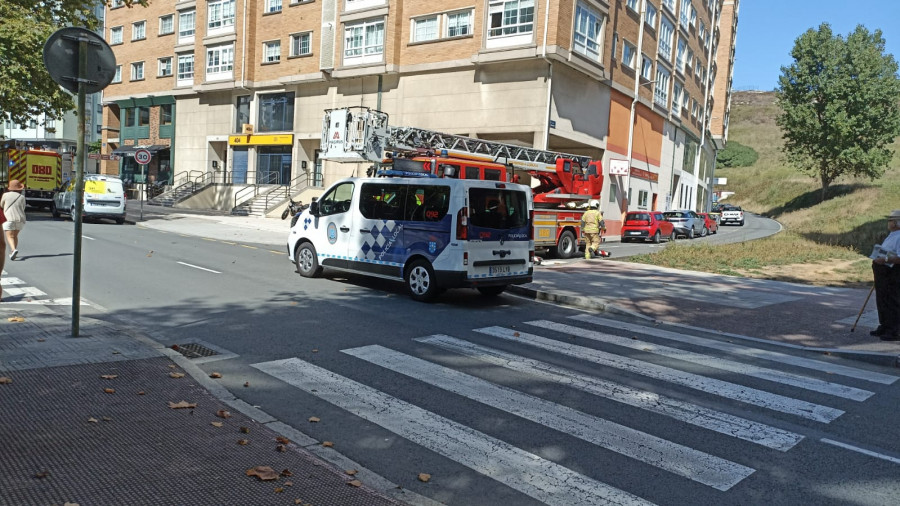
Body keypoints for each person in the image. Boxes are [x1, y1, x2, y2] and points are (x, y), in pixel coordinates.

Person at [870, 209, 900, 341]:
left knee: (893, 301)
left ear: (896, 222)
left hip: (893, 274)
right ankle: (885, 325)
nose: (888, 223)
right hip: (883, 273)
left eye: (891, 220)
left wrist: (886, 260)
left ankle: (895, 330)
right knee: (882, 300)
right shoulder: (892, 235)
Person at [1, 179, 27, 261]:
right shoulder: (22, 197)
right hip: (20, 219)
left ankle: (13, 250)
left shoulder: (5, 195)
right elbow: (23, 207)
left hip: (8, 218)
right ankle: (13, 253)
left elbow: (1, 205)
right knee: (15, 236)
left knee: (9, 236)